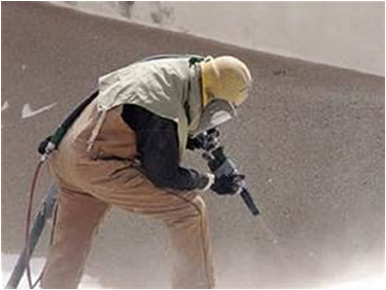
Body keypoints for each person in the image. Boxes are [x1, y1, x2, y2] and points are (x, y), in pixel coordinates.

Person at [41, 54, 252, 289]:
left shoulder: (172, 75)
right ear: (212, 98)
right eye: (218, 114)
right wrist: (210, 181)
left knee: (70, 244)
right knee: (190, 209)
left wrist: (192, 139)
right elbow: (163, 175)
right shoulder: (165, 106)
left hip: (68, 157)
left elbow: (139, 122)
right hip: (98, 167)